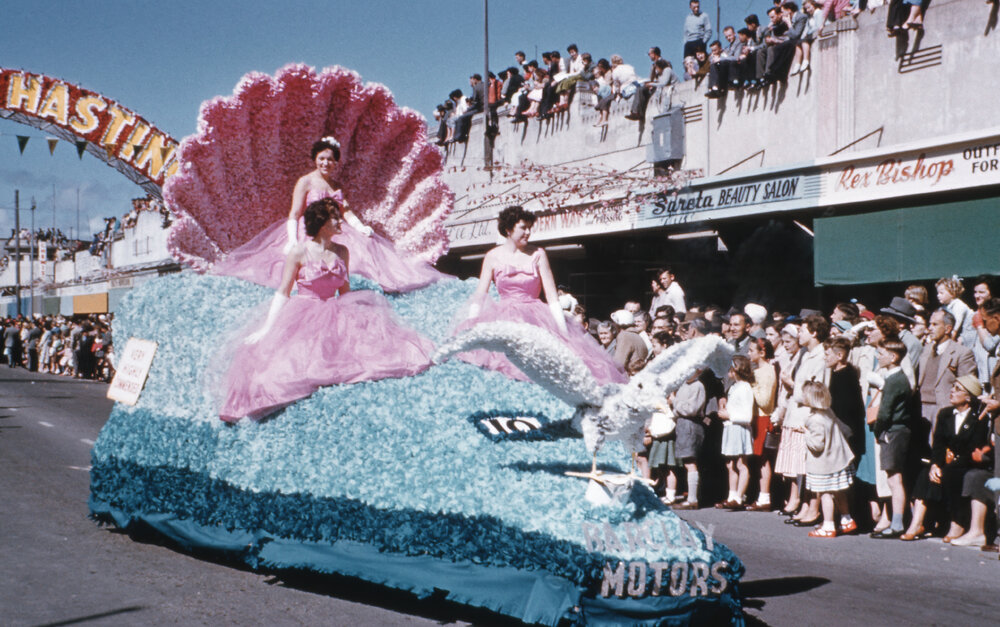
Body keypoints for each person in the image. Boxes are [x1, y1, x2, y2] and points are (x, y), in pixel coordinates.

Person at [217, 198, 434, 423]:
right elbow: (283, 291)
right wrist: (267, 328)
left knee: (365, 353)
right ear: (321, 221)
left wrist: (358, 321)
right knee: (286, 367)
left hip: (335, 309)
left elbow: (345, 291)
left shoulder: (342, 251)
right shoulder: (299, 252)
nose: (340, 221)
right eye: (334, 217)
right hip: (304, 310)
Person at [210, 137, 450, 293]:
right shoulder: (305, 181)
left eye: (330, 159)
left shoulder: (335, 186)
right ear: (315, 159)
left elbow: (345, 211)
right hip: (309, 232)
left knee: (362, 253)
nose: (326, 163)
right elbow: (294, 213)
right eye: (322, 158)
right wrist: (293, 241)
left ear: (336, 162)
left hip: (337, 233)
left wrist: (361, 227)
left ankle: (355, 290)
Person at [456, 206, 625, 384]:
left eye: (530, 227)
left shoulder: (538, 254)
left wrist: (562, 331)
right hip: (504, 317)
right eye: (523, 227)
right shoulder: (492, 256)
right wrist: (471, 323)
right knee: (503, 366)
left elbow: (552, 297)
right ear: (508, 229)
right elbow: (480, 295)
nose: (528, 232)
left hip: (536, 317)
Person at [800, 381, 857, 538]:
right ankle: (846, 519)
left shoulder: (815, 420)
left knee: (825, 493)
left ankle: (828, 524)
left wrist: (805, 433)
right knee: (838, 491)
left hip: (825, 464)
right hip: (838, 460)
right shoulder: (828, 412)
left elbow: (817, 445)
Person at [869, 340, 913, 539]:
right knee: (894, 478)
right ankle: (896, 522)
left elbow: (885, 413)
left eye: (882, 353)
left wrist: (878, 431)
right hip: (896, 431)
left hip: (892, 431)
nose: (879, 356)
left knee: (895, 480)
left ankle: (897, 524)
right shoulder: (896, 378)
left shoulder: (894, 380)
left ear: (893, 357)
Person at [717, 355, 757, 509]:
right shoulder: (734, 387)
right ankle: (731, 495)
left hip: (739, 428)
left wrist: (730, 415)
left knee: (741, 463)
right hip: (730, 428)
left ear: (737, 370)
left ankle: (739, 497)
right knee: (730, 464)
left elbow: (747, 415)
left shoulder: (745, 387)